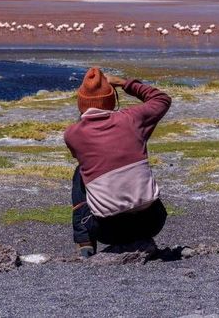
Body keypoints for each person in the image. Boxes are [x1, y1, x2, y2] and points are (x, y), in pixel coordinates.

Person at [64, 67, 172, 258]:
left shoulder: (73, 134)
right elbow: (162, 99)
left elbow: (83, 158)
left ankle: (84, 242)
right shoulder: (132, 119)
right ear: (111, 99)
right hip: (152, 221)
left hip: (107, 230)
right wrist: (123, 83)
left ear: (81, 103)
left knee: (80, 172)